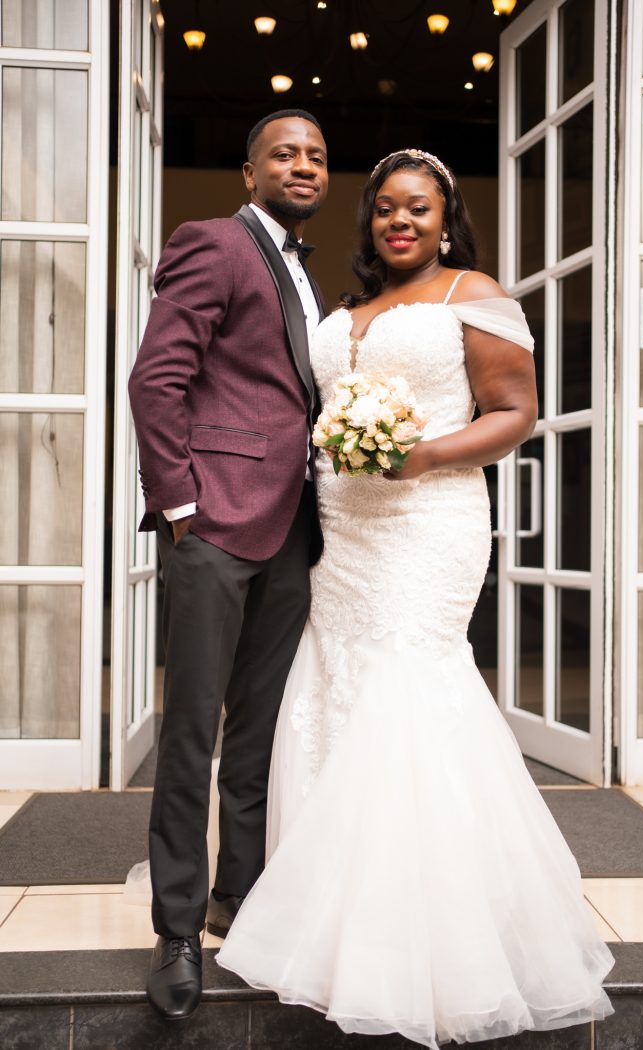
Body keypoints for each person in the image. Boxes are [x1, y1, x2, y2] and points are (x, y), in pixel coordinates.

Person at [215, 149, 614, 1047]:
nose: (402, 222)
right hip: (342, 531)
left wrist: (423, 454)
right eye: (388, 209)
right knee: (334, 690)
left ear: (445, 219)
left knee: (408, 683)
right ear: (372, 223)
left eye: (419, 210)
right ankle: (322, 905)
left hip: (427, 521)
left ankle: (425, 929)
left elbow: (515, 411)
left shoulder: (471, 293)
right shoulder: (345, 309)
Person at [127, 109, 328, 1020]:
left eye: (318, 156)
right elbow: (156, 377)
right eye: (284, 153)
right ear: (248, 173)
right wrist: (179, 507)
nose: (304, 165)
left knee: (257, 734)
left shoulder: (305, 269)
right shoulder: (213, 242)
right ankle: (175, 930)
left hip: (294, 528)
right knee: (192, 733)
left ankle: (235, 897)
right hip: (214, 523)